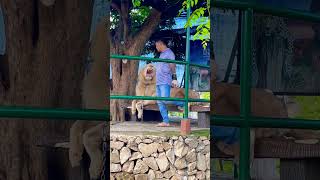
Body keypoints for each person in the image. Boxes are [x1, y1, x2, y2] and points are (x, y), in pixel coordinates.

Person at [154, 38, 184, 127]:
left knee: (165, 99)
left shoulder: (169, 53)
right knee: (160, 102)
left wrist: (174, 78)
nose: (156, 47)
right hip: (159, 81)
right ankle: (166, 121)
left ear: (161, 44)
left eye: (156, 45)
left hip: (165, 80)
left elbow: (172, 65)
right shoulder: (162, 54)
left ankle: (183, 103)